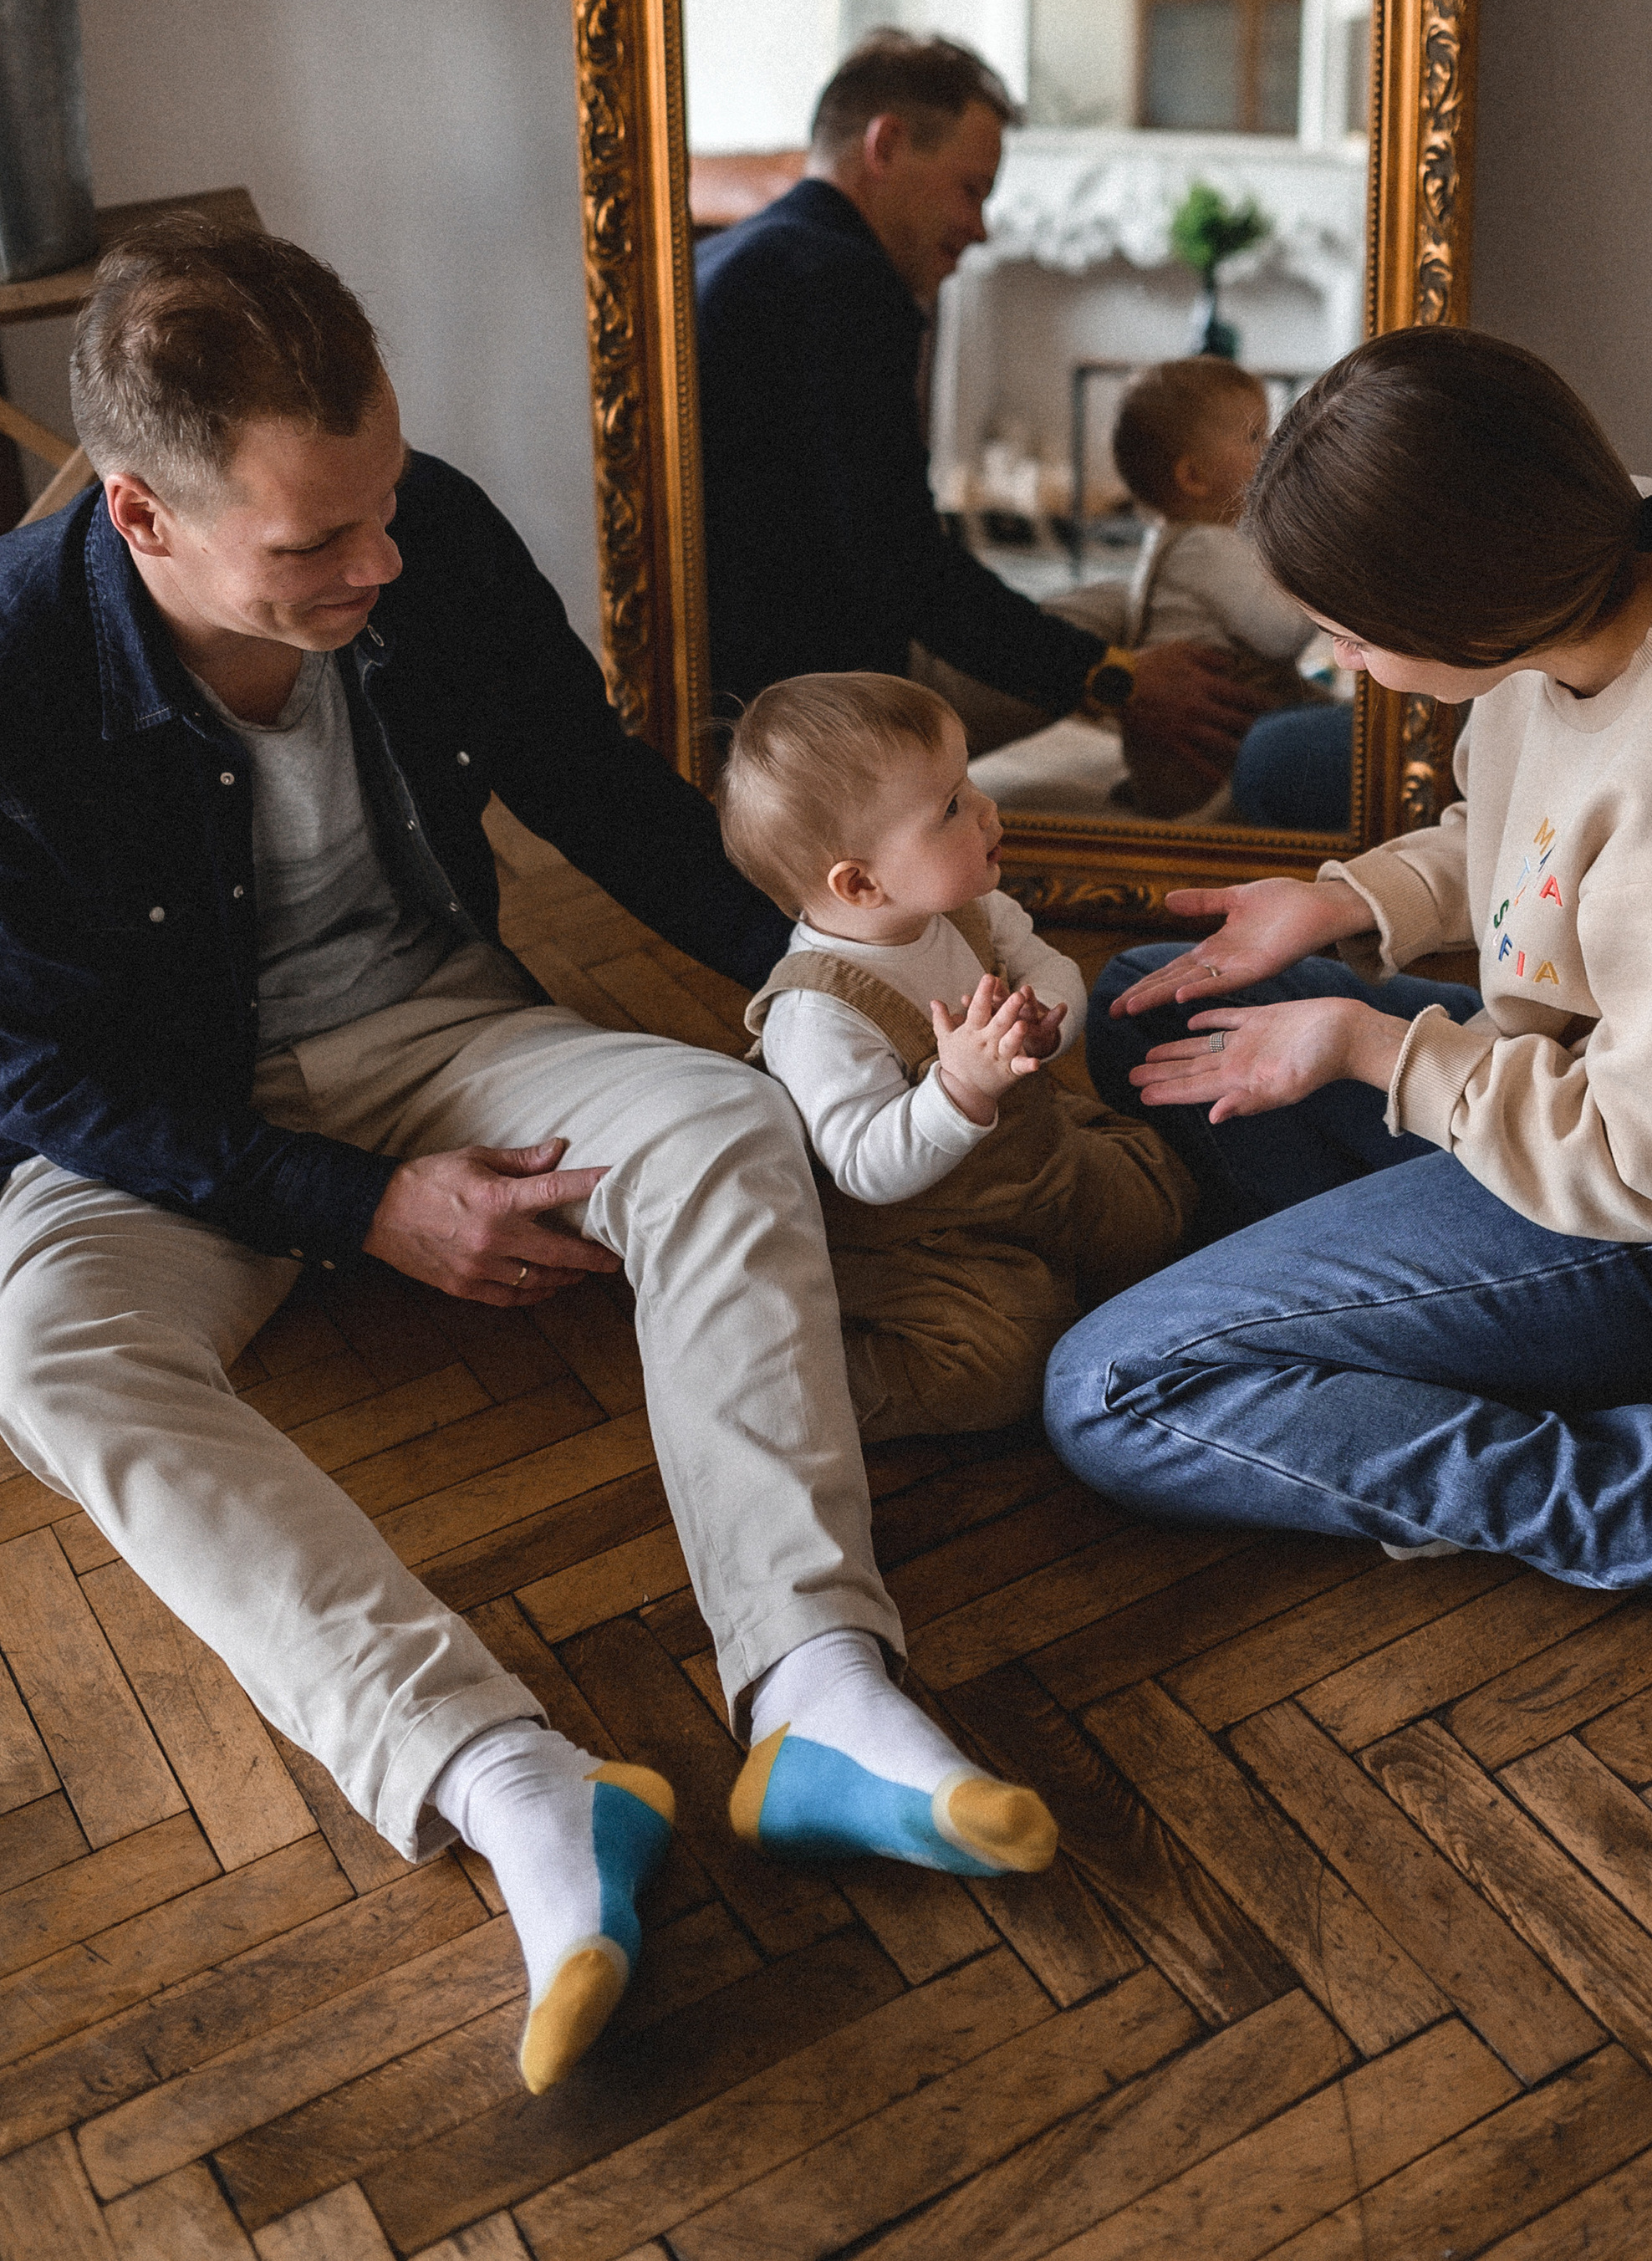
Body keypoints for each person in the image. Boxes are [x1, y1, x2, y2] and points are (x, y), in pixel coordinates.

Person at [0, 219, 1058, 2103]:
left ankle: (813, 1685)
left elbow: (601, 795)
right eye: (312, 544)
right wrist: (354, 1210)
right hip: (162, 1114)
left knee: (725, 1118)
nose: (378, 562)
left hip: (441, 1025)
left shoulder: (436, 539)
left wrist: (863, 982)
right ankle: (506, 1781)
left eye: (384, 503)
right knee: (48, 1356)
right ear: (144, 522)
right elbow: (30, 1074)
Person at [1046, 324, 1652, 1713]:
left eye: (1355, 633)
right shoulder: (1613, 547)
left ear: (1465, 609)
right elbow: (1525, 840)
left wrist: (1372, 1047)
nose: (1341, 661)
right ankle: (1375, 1354)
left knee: (1109, 1394)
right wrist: (1340, 903)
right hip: (1595, 1088)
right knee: (1140, 1005)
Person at [692, 30, 1257, 792]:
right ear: (885, 145)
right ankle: (1195, 794)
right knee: (1130, 607)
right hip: (823, 720)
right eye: (972, 189)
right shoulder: (839, 279)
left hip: (745, 691)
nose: (982, 227)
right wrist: (1119, 682)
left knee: (1103, 610)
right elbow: (907, 565)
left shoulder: (728, 255)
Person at [716, 671, 1191, 1438]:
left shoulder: (969, 910)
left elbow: (1049, 968)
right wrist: (960, 1089)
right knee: (998, 1365)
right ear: (861, 883)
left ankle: (1070, 1270)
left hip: (1036, 1164)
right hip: (919, 1237)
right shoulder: (816, 1013)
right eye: (949, 809)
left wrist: (1046, 1018)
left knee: (1162, 1203)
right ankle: (789, 1379)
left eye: (967, 784)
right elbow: (866, 1167)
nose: (985, 809)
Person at [1108, 357, 1338, 819]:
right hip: (1206, 766)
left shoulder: (1175, 538)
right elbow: (1284, 634)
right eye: (1255, 437)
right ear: (1194, 477)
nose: (1272, 445)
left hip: (1181, 761)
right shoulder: (1206, 548)